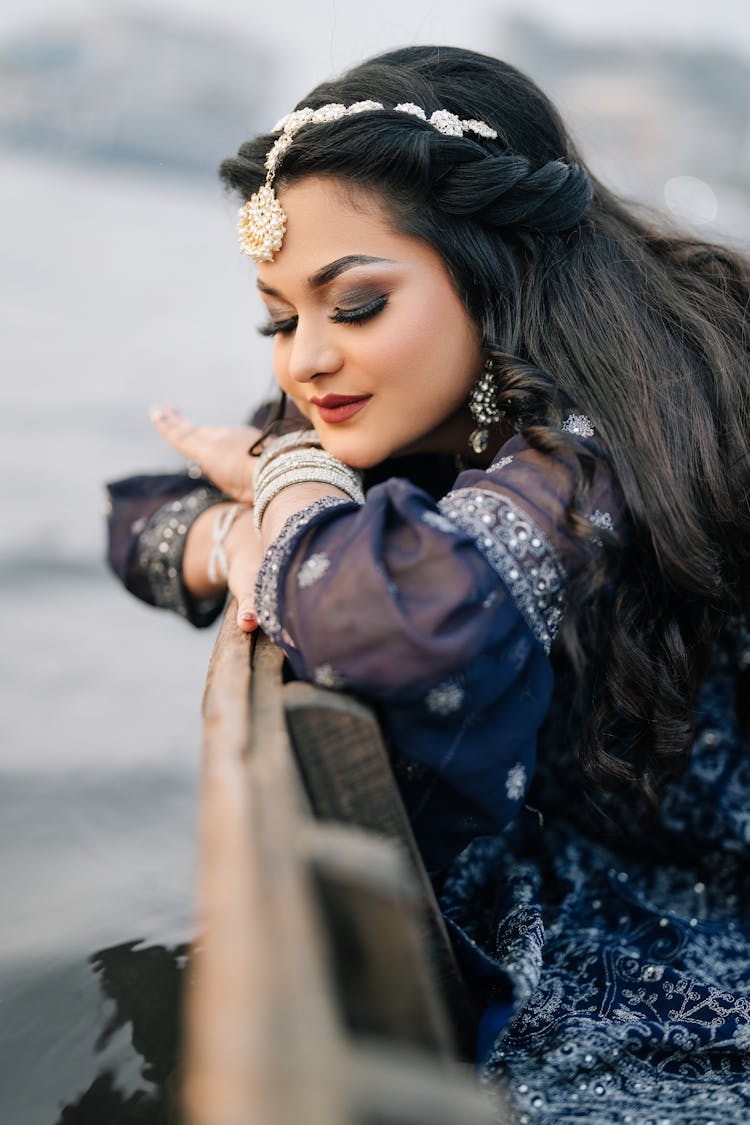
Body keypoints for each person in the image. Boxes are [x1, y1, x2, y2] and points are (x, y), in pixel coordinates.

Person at [106, 45, 750, 1123]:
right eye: (278, 317)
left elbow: (401, 619)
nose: (303, 362)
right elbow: (136, 517)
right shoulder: (416, 399)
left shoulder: (626, 417)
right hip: (589, 875)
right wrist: (238, 530)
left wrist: (276, 477)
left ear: (496, 272)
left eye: (353, 305)